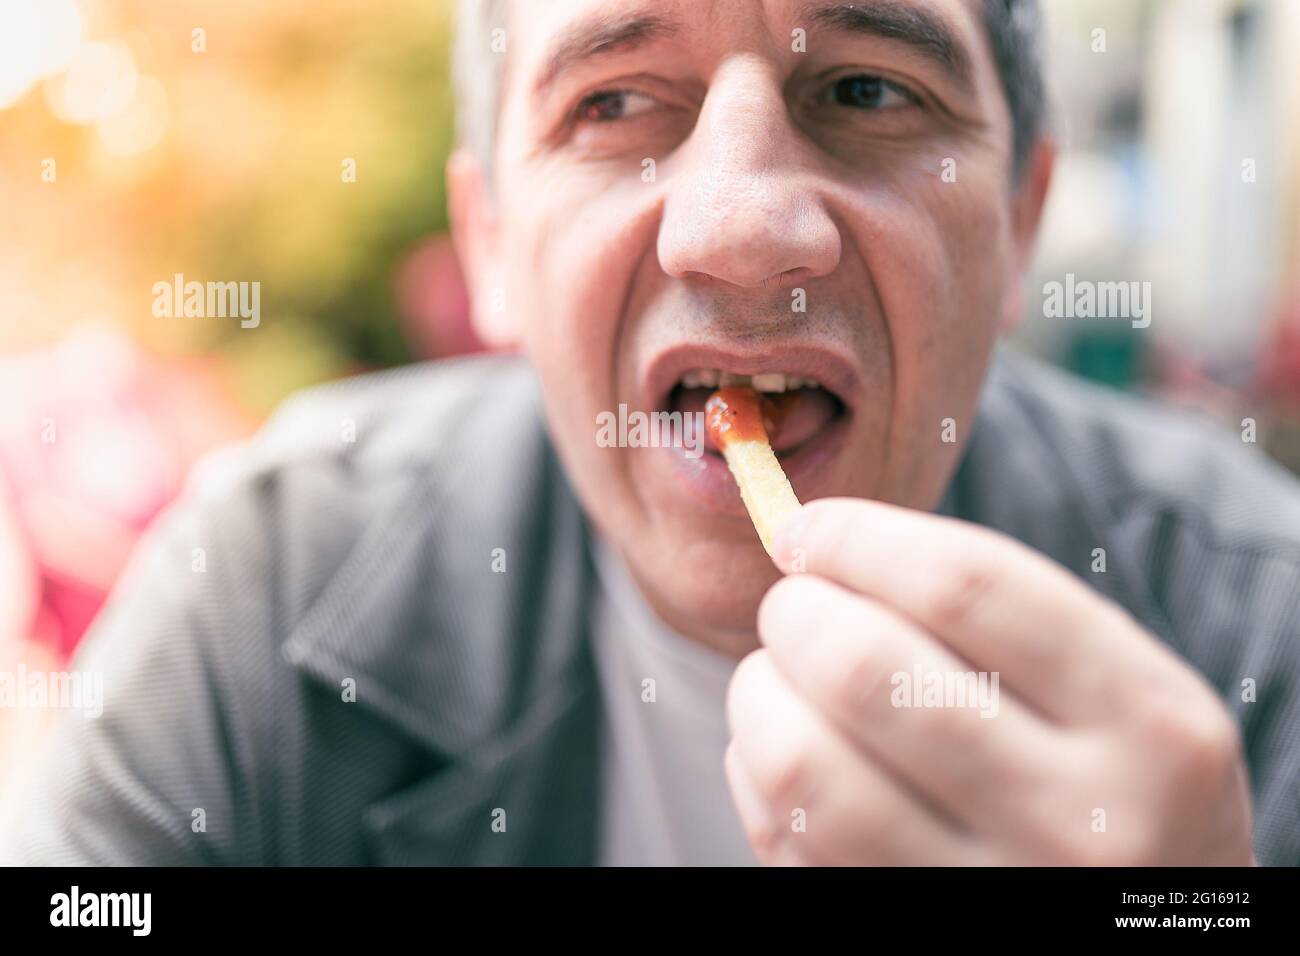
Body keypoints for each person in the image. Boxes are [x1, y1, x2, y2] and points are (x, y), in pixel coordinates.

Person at [6, 0, 1299, 866]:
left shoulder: (1262, 632)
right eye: (615, 105)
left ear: (1022, 222)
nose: (739, 232)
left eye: (866, 88)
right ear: (493, 245)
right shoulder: (265, 593)